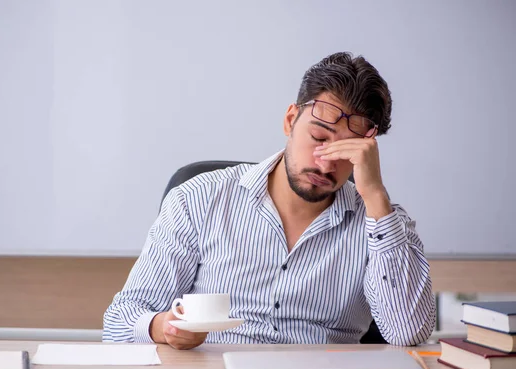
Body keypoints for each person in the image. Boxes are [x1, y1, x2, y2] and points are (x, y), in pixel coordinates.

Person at [103, 52, 436, 350]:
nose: (325, 163)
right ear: (291, 120)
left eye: (346, 152)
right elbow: (119, 323)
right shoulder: (197, 200)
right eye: (319, 138)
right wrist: (163, 328)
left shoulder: (382, 223)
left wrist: (376, 197)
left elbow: (407, 333)